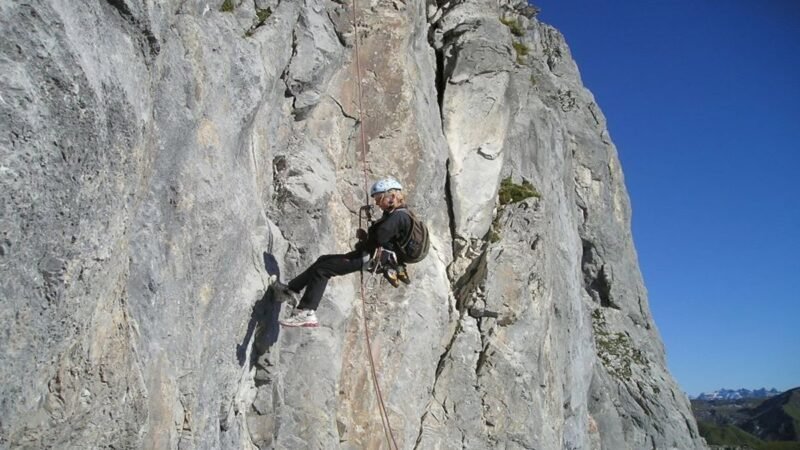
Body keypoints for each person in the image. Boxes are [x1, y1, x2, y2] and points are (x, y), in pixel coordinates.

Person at [273, 178, 412, 328]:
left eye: (379, 199)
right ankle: (290, 290)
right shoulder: (396, 214)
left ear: (391, 197)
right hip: (370, 256)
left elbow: (379, 238)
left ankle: (307, 312)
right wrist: (366, 238)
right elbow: (384, 239)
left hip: (369, 258)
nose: (377, 203)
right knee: (323, 260)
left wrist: (366, 239)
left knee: (323, 270)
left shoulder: (399, 216)